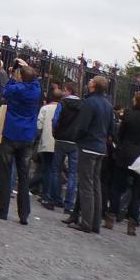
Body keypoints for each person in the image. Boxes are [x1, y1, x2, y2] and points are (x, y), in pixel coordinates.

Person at [0, 59, 41, 225]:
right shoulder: (36, 90)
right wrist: (25, 68)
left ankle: (2, 209)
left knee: (5, 173)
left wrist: (14, 75)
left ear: (20, 76)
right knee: (24, 175)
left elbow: (5, 90)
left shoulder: (16, 88)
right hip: (27, 136)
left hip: (11, 133)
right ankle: (24, 214)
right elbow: (33, 80)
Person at [104, 90, 140, 235]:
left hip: (124, 154)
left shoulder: (128, 115)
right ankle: (132, 223)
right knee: (136, 191)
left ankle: (111, 215)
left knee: (117, 186)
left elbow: (119, 135)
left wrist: (119, 146)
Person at [69, 75, 114, 235]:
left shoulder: (90, 102)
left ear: (94, 85)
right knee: (95, 185)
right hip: (101, 148)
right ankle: (95, 223)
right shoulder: (108, 105)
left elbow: (82, 126)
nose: (88, 83)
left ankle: (86, 222)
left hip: (88, 146)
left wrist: (77, 138)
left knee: (86, 185)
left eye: (91, 81)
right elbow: (111, 130)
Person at [48, 79, 82, 213]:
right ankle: (69, 204)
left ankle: (52, 198)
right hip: (74, 141)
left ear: (69, 91)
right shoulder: (83, 105)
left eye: (65, 90)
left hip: (62, 138)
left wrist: (54, 131)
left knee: (55, 169)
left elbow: (56, 119)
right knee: (73, 174)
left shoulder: (63, 103)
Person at [36, 83, 62, 204]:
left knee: (47, 169)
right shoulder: (62, 109)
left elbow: (39, 124)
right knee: (55, 169)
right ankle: (55, 195)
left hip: (46, 140)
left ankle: (46, 193)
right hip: (58, 142)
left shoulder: (45, 108)